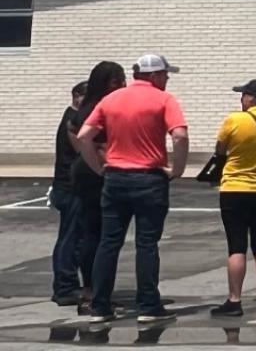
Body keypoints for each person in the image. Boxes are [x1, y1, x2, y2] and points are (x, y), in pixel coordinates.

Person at [77, 52, 187, 326]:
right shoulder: (163, 99)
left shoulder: (111, 99)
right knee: (146, 243)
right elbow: (180, 135)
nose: (167, 79)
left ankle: (100, 305)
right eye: (165, 75)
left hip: (115, 177)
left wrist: (99, 168)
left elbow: (83, 136)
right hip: (149, 178)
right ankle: (148, 304)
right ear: (155, 75)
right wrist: (177, 170)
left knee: (109, 242)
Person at [210, 80, 256, 318]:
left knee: (237, 246)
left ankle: (235, 301)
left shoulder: (235, 120)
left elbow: (220, 149)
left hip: (235, 188)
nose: (241, 98)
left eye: (243, 94)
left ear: (251, 98)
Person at [66, 62, 126, 316]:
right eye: (118, 81)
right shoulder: (98, 108)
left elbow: (74, 131)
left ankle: (92, 290)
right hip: (95, 176)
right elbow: (93, 143)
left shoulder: (86, 108)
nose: (123, 86)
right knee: (99, 236)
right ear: (106, 83)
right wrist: (104, 167)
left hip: (85, 173)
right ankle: (93, 292)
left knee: (95, 234)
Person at [50, 80, 89, 306]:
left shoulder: (73, 118)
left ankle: (69, 284)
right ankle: (65, 287)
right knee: (70, 238)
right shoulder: (72, 121)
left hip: (69, 187)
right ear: (76, 96)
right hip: (69, 188)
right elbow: (81, 149)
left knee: (75, 237)